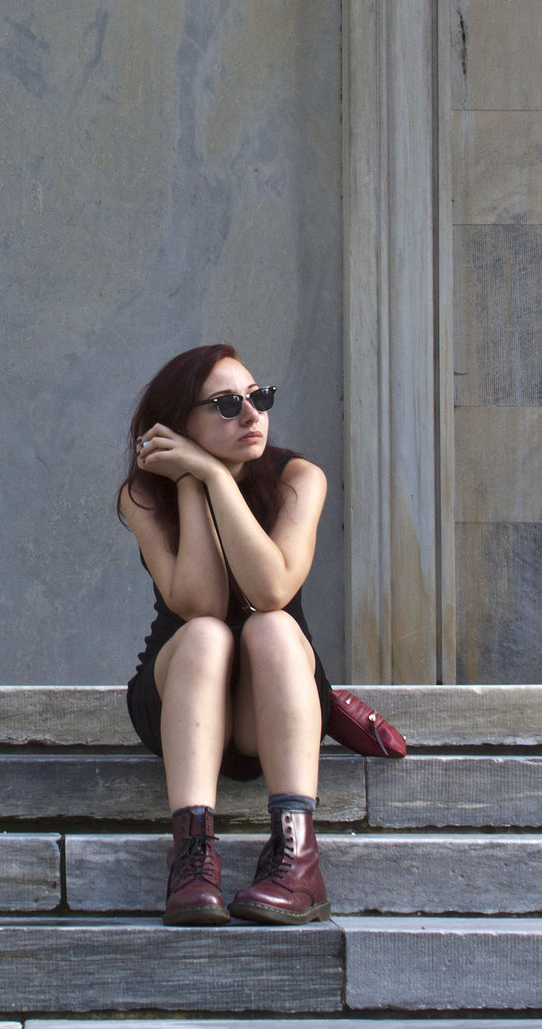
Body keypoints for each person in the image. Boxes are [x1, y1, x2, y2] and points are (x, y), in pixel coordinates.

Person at [118, 343, 332, 926]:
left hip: (270, 699)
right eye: (227, 404)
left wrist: (213, 472)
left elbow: (271, 589)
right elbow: (199, 603)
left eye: (258, 398)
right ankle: (192, 859)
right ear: (177, 424)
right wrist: (188, 484)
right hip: (184, 695)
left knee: (272, 627)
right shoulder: (144, 494)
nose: (252, 415)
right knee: (210, 634)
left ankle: (297, 859)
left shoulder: (298, 478)